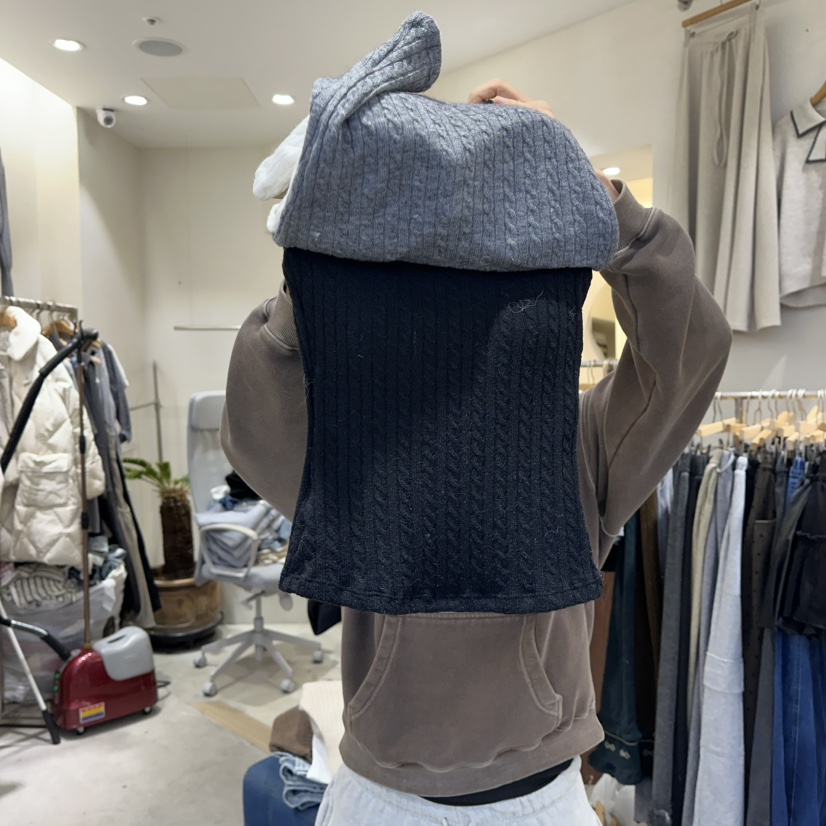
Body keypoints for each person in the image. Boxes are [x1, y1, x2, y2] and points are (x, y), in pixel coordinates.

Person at [222, 80, 732, 825]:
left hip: (539, 796)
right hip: (383, 793)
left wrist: (594, 195)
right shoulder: (365, 439)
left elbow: (689, 350)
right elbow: (254, 426)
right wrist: (323, 258)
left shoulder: (577, 443)